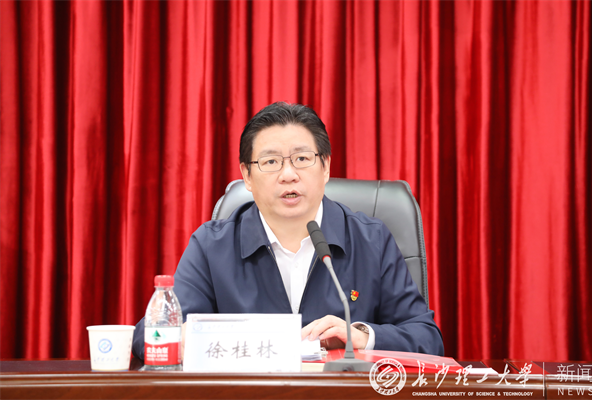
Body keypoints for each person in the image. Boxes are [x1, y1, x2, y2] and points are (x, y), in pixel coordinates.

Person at [132, 102, 444, 359]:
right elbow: (148, 337)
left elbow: (427, 339)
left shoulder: (371, 240)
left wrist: (362, 335)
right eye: (271, 162)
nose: (288, 174)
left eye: (302, 159)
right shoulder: (212, 246)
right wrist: (190, 337)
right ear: (247, 175)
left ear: (325, 167)